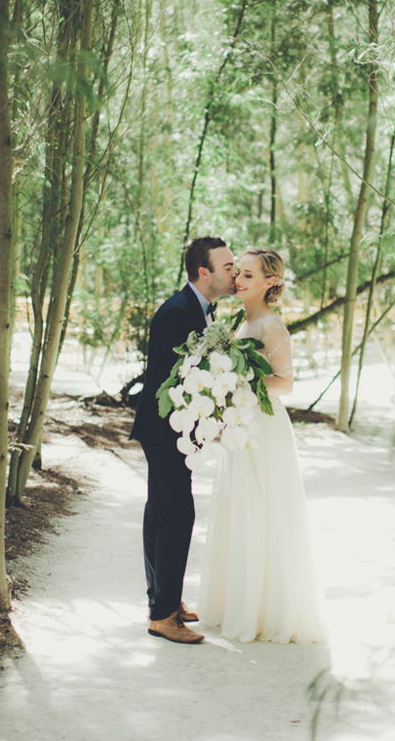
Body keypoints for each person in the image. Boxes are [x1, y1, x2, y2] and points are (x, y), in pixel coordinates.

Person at [198, 248, 327, 644]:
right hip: (242, 425)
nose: (239, 281)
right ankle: (240, 603)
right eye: (239, 274)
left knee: (264, 508)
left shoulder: (272, 326)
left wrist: (239, 381)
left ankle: (269, 611)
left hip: (265, 428)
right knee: (242, 509)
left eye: (249, 276)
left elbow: (285, 384)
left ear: (270, 282)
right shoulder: (242, 323)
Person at [131, 236, 236, 644]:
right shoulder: (177, 313)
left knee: (160, 514)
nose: (233, 272)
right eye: (226, 266)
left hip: (170, 429)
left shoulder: (201, 310)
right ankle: (162, 616)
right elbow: (170, 382)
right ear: (203, 272)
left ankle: (164, 601)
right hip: (166, 429)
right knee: (178, 517)